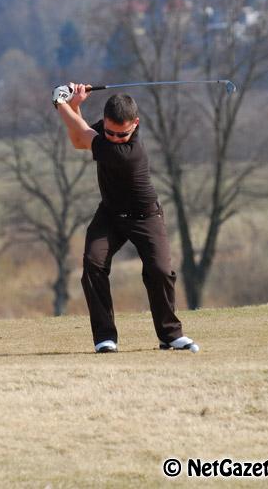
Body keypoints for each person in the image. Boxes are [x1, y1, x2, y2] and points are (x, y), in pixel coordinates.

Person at [52, 82, 199, 353]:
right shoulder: (107, 135)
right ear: (106, 122)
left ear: (135, 124)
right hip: (110, 213)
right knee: (93, 265)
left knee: (160, 271)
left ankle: (170, 335)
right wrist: (75, 106)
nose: (115, 138)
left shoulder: (128, 152)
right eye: (109, 132)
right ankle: (105, 338)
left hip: (146, 216)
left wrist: (60, 102)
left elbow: (84, 134)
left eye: (122, 134)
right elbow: (78, 140)